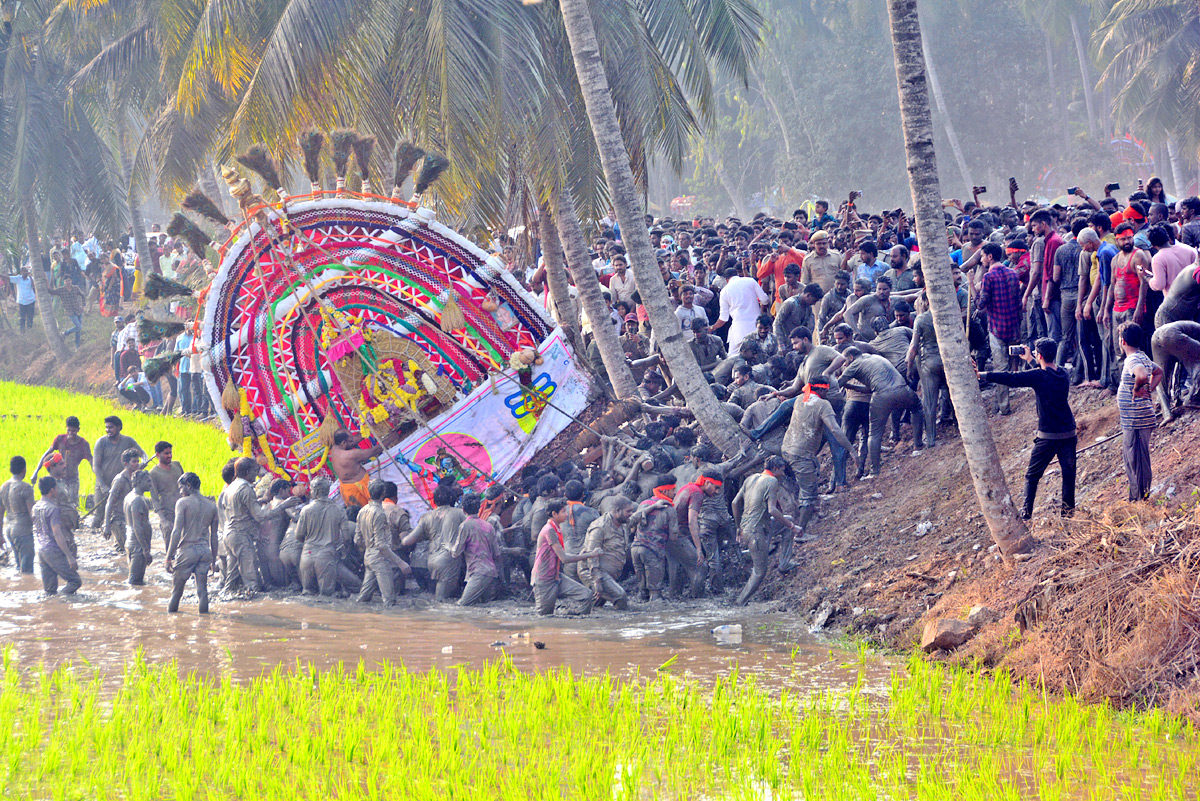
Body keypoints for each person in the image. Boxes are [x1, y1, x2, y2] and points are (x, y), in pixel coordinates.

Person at [979, 339, 1077, 518]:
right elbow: (1045, 372)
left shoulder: (1038, 376)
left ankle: (1026, 514)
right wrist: (1031, 359)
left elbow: (1011, 378)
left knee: (1032, 477)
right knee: (1068, 477)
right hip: (1069, 433)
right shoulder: (1063, 373)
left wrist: (982, 374)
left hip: (1048, 437)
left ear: (1039, 355)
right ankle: (1068, 517)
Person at [778, 378, 854, 570]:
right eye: (827, 390)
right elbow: (835, 430)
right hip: (801, 455)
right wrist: (851, 450)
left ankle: (797, 522)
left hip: (786, 450)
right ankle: (800, 533)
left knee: (803, 488)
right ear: (821, 390)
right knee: (809, 492)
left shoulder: (800, 399)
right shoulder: (822, 404)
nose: (829, 393)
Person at [732, 456, 801, 605]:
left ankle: (784, 563)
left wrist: (738, 527)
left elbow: (735, 503)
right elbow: (772, 510)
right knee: (759, 572)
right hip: (755, 532)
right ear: (775, 469)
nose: (783, 474)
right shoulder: (772, 481)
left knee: (787, 518)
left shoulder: (750, 478)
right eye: (782, 471)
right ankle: (740, 603)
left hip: (749, 527)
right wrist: (793, 526)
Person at [223, 457, 297, 593]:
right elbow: (260, 516)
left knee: (232, 579)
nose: (256, 474)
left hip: (229, 535)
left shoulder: (230, 487)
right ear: (246, 472)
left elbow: (239, 512)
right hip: (241, 536)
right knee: (252, 580)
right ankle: (257, 611)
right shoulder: (246, 489)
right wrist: (284, 505)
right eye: (254, 471)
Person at [1116, 323, 1163, 502]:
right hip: (1136, 418)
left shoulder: (1133, 360)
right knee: (1135, 459)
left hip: (1137, 420)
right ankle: (1137, 497)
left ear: (1123, 341)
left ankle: (1139, 500)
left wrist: (1138, 388)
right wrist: (1148, 389)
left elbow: (1142, 374)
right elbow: (1159, 372)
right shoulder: (1142, 356)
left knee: (1136, 461)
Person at [531, 498, 600, 615]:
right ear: (554, 514)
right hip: (544, 579)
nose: (566, 514)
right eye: (563, 511)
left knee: (586, 595)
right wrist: (591, 555)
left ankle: (577, 624)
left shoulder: (556, 528)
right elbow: (565, 558)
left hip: (556, 576)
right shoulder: (549, 530)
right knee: (544, 617)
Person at [976, 242, 1023, 415]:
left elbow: (981, 305)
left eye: (982, 256)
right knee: (1012, 364)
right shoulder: (1013, 273)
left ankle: (1004, 407)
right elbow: (1018, 302)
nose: (981, 260)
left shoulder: (989, 277)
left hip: (997, 328)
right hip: (1013, 326)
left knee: (1000, 369)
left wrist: (973, 288)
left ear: (990, 257)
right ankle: (1003, 400)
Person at [400, 484, 467, 601]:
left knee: (438, 594)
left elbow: (407, 541)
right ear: (452, 498)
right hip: (449, 560)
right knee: (441, 600)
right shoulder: (459, 513)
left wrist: (401, 535)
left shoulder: (426, 517)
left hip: (431, 561)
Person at [165, 472, 218, 613]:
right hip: (204, 551)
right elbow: (214, 536)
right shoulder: (212, 506)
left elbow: (176, 531)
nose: (180, 492)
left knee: (176, 592)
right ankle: (204, 624)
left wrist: (169, 557)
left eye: (181, 488)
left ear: (188, 486)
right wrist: (213, 558)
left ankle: (171, 623)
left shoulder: (183, 503)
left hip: (187, 551)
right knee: (202, 590)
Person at [356, 480, 413, 606]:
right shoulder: (379, 513)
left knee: (363, 598)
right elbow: (381, 545)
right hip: (380, 559)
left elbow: (357, 540)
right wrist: (401, 562)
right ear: (383, 494)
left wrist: (368, 550)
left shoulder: (363, 510)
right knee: (389, 601)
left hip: (368, 556)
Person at [296, 477, 355, 597]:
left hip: (307, 555)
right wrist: (344, 551)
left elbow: (299, 536)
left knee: (307, 594)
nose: (310, 492)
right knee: (326, 596)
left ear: (316, 492)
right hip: (326, 556)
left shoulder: (305, 510)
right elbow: (347, 538)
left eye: (311, 490)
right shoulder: (339, 510)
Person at [579, 495, 635, 609]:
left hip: (608, 572)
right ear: (618, 511)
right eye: (628, 511)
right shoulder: (600, 527)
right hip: (592, 571)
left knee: (597, 604)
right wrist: (597, 580)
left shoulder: (622, 523)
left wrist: (653, 506)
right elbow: (591, 555)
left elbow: (636, 517)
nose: (631, 514)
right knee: (620, 596)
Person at [449, 493, 505, 607]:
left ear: (463, 509)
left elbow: (456, 553)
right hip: (491, 573)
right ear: (479, 507)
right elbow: (497, 554)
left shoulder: (465, 526)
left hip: (478, 572)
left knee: (462, 605)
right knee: (484, 606)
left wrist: (448, 547)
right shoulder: (488, 525)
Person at [90, 416, 143, 526]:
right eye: (106, 427)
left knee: (122, 512)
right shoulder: (101, 442)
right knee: (99, 515)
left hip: (122, 484)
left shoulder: (128, 441)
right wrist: (103, 486)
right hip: (103, 484)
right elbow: (96, 466)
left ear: (119, 428)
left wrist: (140, 465)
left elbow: (143, 454)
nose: (108, 430)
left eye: (111, 427)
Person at [32, 476, 81, 595]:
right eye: (56, 488)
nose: (57, 491)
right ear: (52, 490)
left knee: (49, 590)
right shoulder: (53, 509)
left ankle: (52, 605)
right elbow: (57, 534)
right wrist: (69, 556)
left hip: (40, 550)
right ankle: (60, 601)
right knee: (75, 581)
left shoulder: (36, 507)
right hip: (52, 550)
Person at [37, 416, 92, 517]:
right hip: (58, 477)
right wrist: (36, 472)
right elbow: (46, 455)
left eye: (73, 431)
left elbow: (91, 461)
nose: (71, 433)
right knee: (54, 501)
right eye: (69, 430)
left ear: (78, 430)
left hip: (72, 478)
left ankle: (71, 521)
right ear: (66, 428)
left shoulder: (83, 444)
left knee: (72, 502)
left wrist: (100, 480)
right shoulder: (60, 439)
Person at [1151, 320, 1200, 422]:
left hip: (1156, 336)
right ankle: (1193, 398)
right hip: (1171, 334)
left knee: (1160, 376)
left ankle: (1167, 414)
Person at [712, 268, 769, 352]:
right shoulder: (751, 281)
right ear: (737, 274)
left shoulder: (724, 291)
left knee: (733, 359)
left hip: (739, 332)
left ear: (726, 279)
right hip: (757, 329)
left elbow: (724, 318)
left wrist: (712, 327)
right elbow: (765, 300)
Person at [0, 456, 36, 574]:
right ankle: (27, 588)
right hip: (23, 531)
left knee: (18, 566)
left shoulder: (3, 487)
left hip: (9, 530)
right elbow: (32, 514)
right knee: (27, 571)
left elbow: (0, 514)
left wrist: (0, 535)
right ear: (24, 470)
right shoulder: (26, 488)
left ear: (11, 470)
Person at [330, 430, 382, 507]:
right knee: (373, 510)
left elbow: (353, 441)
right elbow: (374, 451)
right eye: (350, 441)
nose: (353, 442)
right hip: (356, 490)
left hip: (349, 488)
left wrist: (367, 429)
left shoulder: (335, 448)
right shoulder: (349, 455)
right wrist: (393, 437)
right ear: (344, 443)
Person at [148, 440, 184, 551]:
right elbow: (154, 498)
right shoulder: (153, 473)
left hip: (183, 510)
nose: (169, 456)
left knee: (185, 544)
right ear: (158, 455)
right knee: (171, 548)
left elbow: (187, 485)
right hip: (168, 513)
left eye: (170, 453)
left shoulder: (177, 465)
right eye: (166, 453)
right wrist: (163, 520)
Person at [123, 470, 155, 586]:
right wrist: (145, 549)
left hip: (132, 542)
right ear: (139, 482)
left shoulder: (129, 496)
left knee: (136, 581)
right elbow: (137, 526)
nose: (150, 484)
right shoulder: (137, 500)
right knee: (135, 582)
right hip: (138, 546)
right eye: (148, 481)